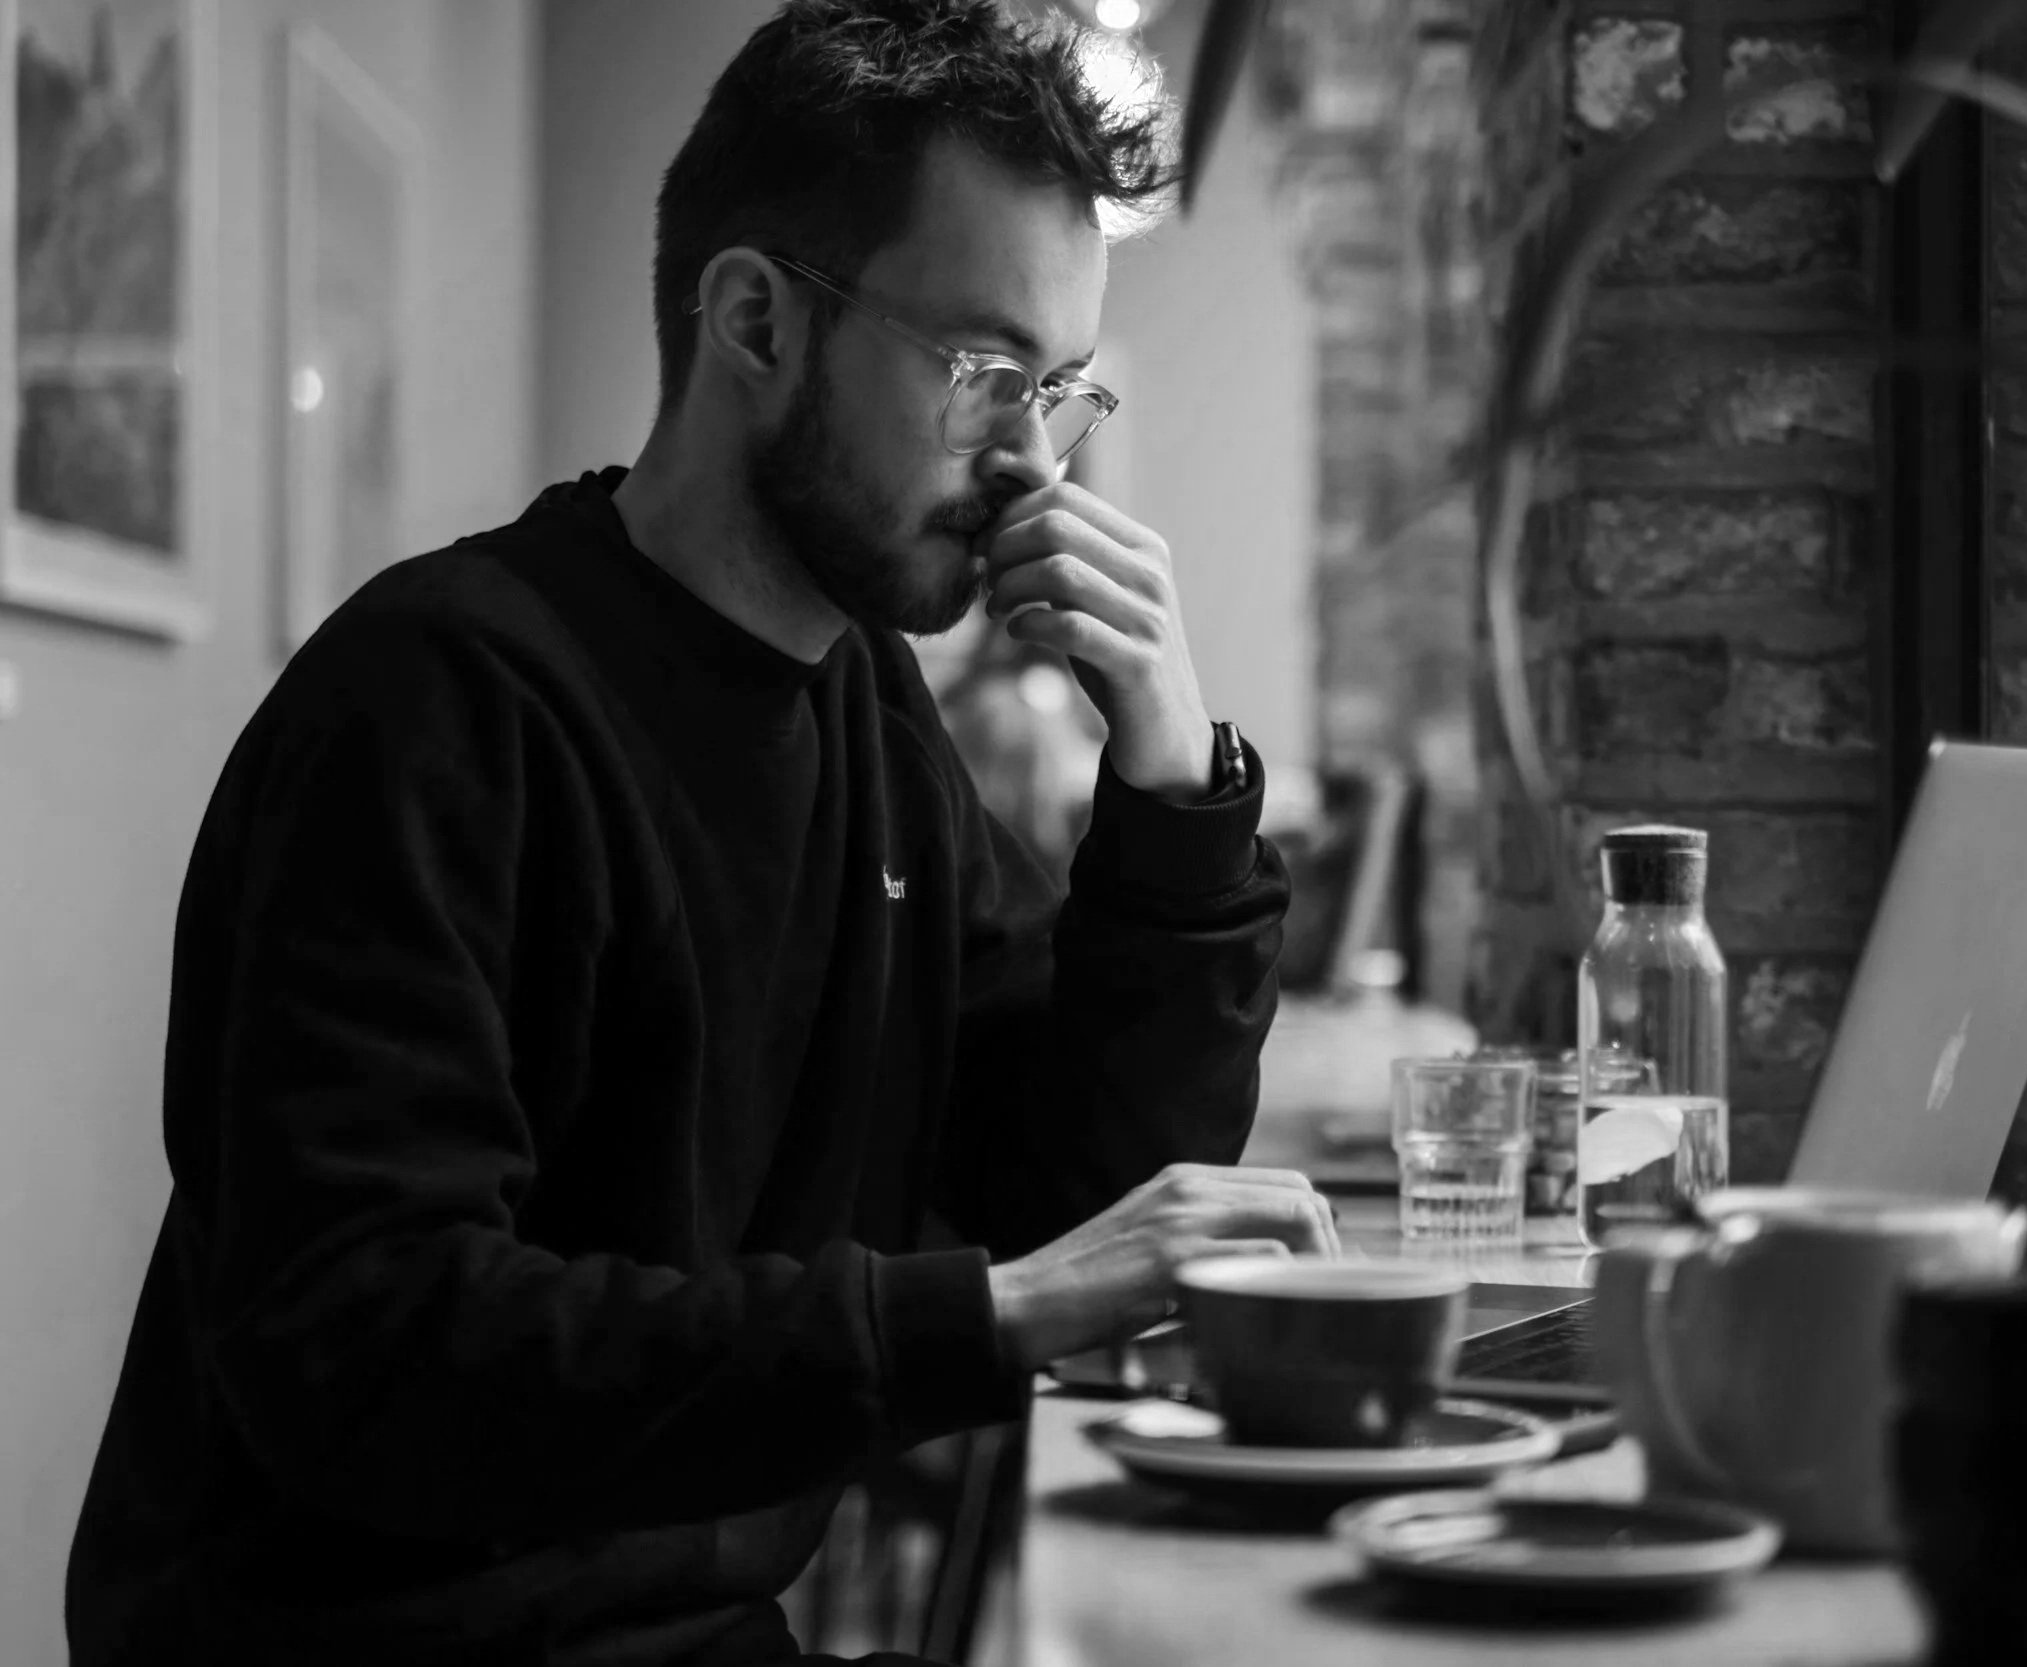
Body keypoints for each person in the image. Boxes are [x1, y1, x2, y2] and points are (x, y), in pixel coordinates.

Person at [64, 4, 1335, 1662]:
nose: (1035, 465)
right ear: (752, 320)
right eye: (982, 376)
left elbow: (1078, 1179)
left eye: (1062, 390)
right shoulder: (436, 703)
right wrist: (985, 1315)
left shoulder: (864, 712)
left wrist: (1171, 773)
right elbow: (371, 1352)